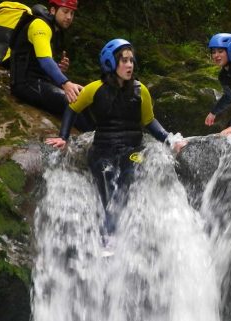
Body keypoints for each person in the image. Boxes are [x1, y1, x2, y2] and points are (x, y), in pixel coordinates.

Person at [45, 39, 186, 238]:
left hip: (132, 151)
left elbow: (150, 121)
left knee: (129, 176)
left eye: (131, 60)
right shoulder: (94, 89)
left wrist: (170, 139)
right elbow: (72, 109)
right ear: (111, 63)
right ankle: (109, 236)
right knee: (106, 179)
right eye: (124, 61)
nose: (130, 65)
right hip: (102, 150)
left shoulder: (140, 90)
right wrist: (63, 137)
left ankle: (115, 234)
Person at [10, 0, 95, 131]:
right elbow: (45, 60)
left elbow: (39, 60)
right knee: (72, 102)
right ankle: (94, 139)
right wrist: (65, 83)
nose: (69, 17)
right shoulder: (40, 25)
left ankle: (98, 134)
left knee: (84, 97)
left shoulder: (54, 29)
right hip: (25, 83)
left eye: (72, 13)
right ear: (53, 10)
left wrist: (58, 68)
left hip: (39, 80)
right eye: (65, 11)